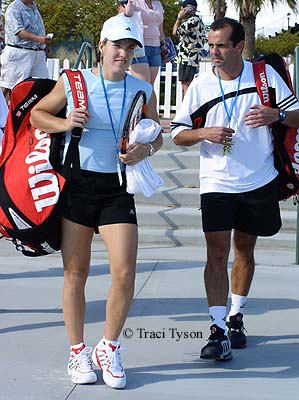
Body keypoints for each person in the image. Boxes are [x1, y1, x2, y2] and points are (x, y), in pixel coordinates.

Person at [30, 14, 162, 389]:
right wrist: (66, 122)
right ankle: (77, 350)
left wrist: (145, 149)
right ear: (101, 46)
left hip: (118, 188)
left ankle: (110, 346)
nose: (123, 53)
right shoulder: (75, 82)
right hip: (78, 185)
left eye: (130, 47)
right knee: (76, 272)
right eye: (117, 45)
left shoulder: (142, 89)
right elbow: (38, 115)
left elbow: (157, 137)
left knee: (124, 271)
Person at [171, 17, 299, 361]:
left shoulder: (264, 76)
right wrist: (203, 133)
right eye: (211, 45)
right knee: (216, 253)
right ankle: (216, 329)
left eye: (221, 46)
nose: (213, 52)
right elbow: (177, 132)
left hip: (257, 179)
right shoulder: (200, 84)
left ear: (239, 46)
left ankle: (236, 316)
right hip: (216, 181)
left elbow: (297, 114)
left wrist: (276, 115)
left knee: (244, 248)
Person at [0, 0, 52, 103]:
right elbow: (19, 31)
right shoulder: (14, 8)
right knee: (7, 86)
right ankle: (3, 113)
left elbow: (38, 27)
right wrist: (38, 39)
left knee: (42, 85)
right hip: (18, 53)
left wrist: (43, 45)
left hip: (37, 53)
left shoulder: (33, 6)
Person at [119, 0, 165, 84]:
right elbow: (122, 18)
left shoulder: (158, 3)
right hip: (139, 47)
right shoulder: (133, 1)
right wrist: (128, 8)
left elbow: (160, 28)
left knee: (149, 86)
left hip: (155, 47)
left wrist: (164, 45)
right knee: (142, 83)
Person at [172, 0, 207, 96]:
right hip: (191, 57)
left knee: (186, 84)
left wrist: (179, 18)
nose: (181, 10)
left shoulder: (192, 21)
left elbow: (175, 32)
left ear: (189, 8)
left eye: (183, 8)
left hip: (188, 57)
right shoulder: (197, 21)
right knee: (186, 83)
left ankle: (188, 108)